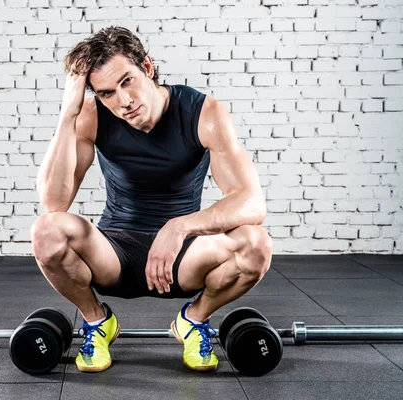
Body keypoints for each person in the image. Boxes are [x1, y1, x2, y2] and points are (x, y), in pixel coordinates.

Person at [31, 26, 273, 373]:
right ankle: (97, 321)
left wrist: (180, 227)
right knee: (46, 231)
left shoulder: (202, 113)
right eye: (106, 93)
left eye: (127, 81)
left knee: (256, 245)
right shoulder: (91, 115)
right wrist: (68, 113)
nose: (123, 101)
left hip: (186, 257)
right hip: (114, 253)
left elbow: (252, 203)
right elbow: (54, 204)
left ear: (147, 66)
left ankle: (193, 320)